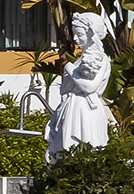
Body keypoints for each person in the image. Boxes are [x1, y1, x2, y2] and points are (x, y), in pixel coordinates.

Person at [44, 9, 115, 162]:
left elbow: (89, 88)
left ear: (91, 35)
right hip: (75, 107)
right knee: (63, 152)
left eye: (80, 34)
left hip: (85, 109)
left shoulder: (98, 58)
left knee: (81, 152)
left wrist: (69, 69)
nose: (75, 38)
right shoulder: (84, 57)